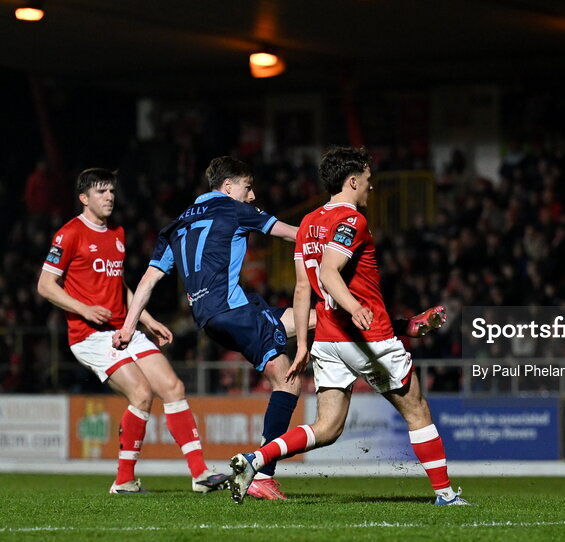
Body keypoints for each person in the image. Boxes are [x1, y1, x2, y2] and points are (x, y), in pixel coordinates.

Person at [226, 145, 466, 506]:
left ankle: (256, 461)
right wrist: (355, 307)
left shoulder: (307, 222)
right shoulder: (352, 221)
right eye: (368, 181)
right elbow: (328, 271)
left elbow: (304, 286)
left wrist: (304, 345)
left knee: (327, 428)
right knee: (417, 409)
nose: (371, 188)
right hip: (367, 338)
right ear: (353, 181)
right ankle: (446, 495)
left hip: (327, 339)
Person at [115, 157, 308, 500]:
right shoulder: (234, 210)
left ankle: (388, 327)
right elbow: (294, 235)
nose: (251, 196)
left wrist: (128, 328)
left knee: (312, 317)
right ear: (229, 186)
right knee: (288, 382)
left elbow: (147, 280)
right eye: (247, 188)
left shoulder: (174, 226)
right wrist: (336, 241)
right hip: (234, 311)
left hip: (209, 319)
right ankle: (263, 472)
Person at [38, 168, 227, 494]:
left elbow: (118, 284)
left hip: (123, 329)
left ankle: (199, 474)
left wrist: (146, 319)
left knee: (173, 386)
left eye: (111, 190)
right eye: (101, 192)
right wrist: (83, 309)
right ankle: (124, 478)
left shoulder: (118, 233)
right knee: (141, 392)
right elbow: (44, 285)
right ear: (84, 198)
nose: (109, 196)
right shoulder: (68, 234)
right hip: (89, 336)